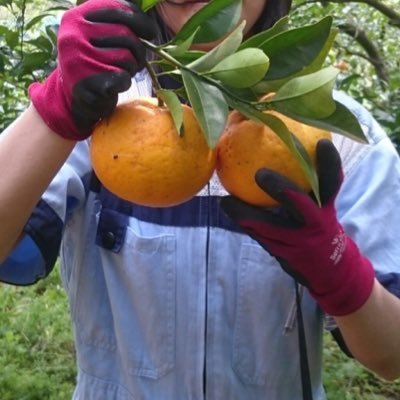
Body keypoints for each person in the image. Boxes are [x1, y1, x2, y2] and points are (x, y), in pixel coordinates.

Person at [1, 0, 400, 399]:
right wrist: (57, 107)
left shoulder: (330, 135)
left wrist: (336, 267)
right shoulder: (103, 113)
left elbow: (391, 357)